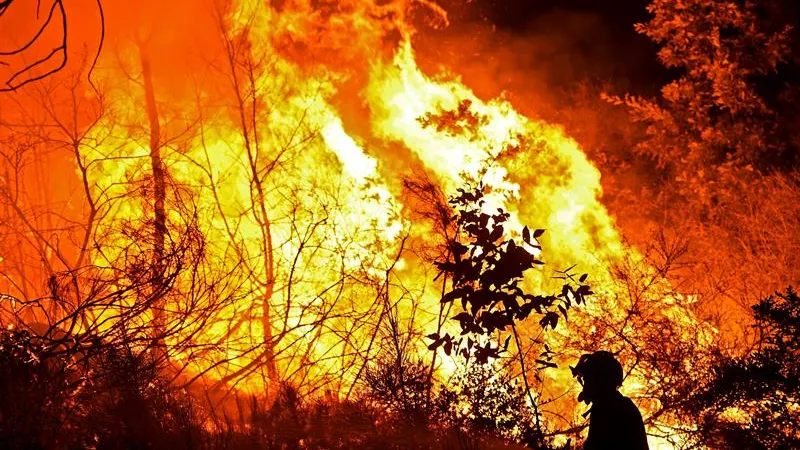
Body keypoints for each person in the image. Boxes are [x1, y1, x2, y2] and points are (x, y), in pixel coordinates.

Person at [573, 351, 649, 450]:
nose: (585, 387)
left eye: (588, 380)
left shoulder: (606, 409)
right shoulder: (623, 405)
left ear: (601, 381)